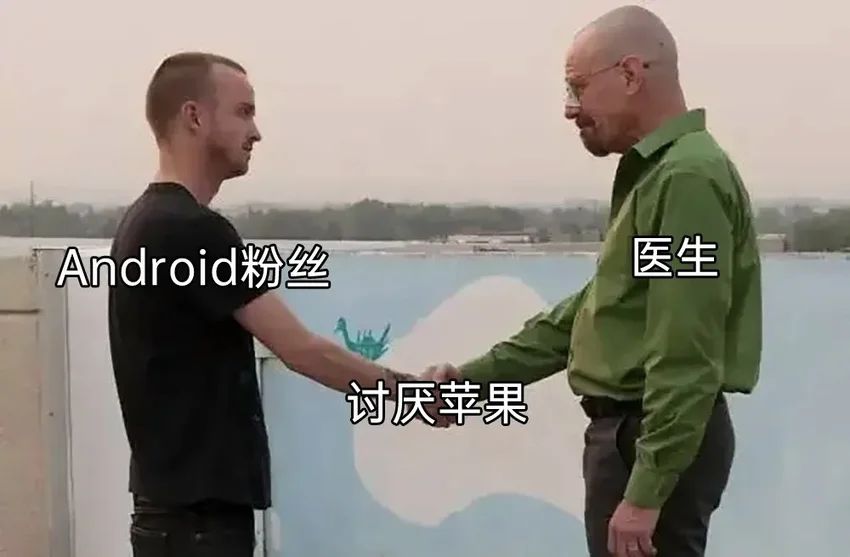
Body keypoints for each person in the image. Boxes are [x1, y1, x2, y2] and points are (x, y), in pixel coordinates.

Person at [425, 6, 762, 557]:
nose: (569, 109)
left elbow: (687, 351)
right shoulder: (662, 175)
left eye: (577, 87)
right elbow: (599, 310)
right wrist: (471, 380)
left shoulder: (687, 180)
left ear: (630, 74)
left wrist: (646, 493)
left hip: (647, 439)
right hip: (635, 439)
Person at [108, 52, 447, 557]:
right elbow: (300, 349)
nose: (257, 132)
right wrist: (411, 395)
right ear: (194, 116)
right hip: (198, 530)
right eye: (243, 112)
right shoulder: (191, 230)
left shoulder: (144, 222)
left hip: (172, 521)